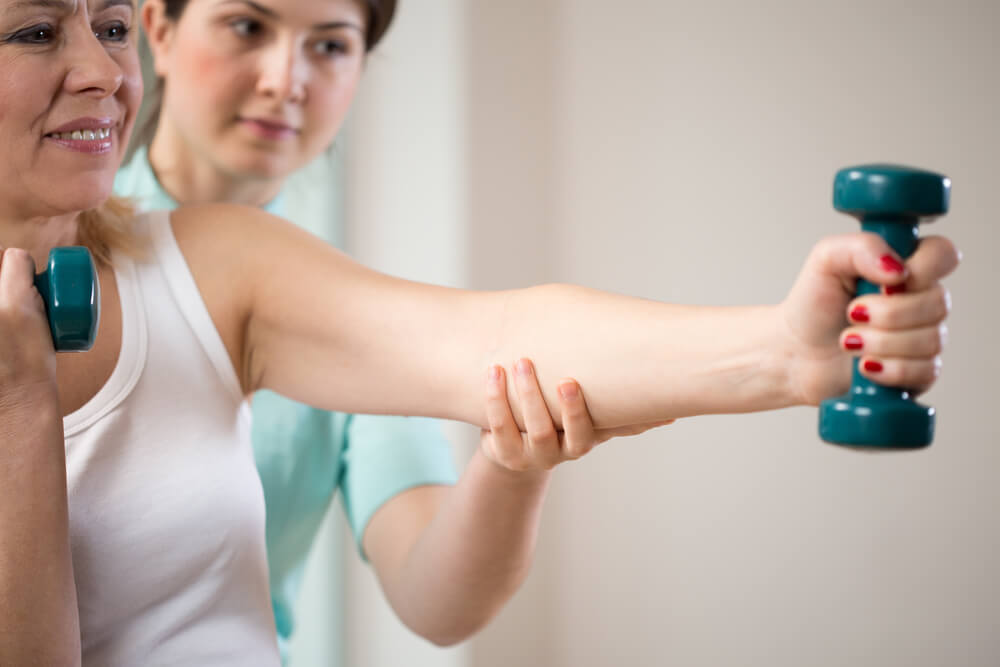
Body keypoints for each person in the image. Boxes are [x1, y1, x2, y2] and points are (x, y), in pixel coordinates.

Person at [0, 0, 958, 666]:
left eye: (112, 27)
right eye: (38, 31)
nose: (284, 81)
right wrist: (23, 412)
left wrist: (788, 351)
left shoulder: (230, 262)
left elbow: (500, 339)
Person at [114, 0, 661, 659]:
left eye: (331, 46)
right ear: (159, 31)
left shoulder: (349, 315)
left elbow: (437, 600)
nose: (286, 80)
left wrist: (510, 468)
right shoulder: (49, 252)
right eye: (248, 26)